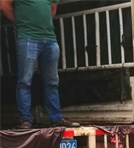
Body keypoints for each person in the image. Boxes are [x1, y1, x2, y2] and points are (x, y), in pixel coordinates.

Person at [1, 0, 79, 129]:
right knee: (25, 81)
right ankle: (25, 118)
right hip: (27, 37)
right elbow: (3, 5)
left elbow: (53, 9)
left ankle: (56, 117)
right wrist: (20, 22)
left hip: (49, 38)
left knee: (52, 81)